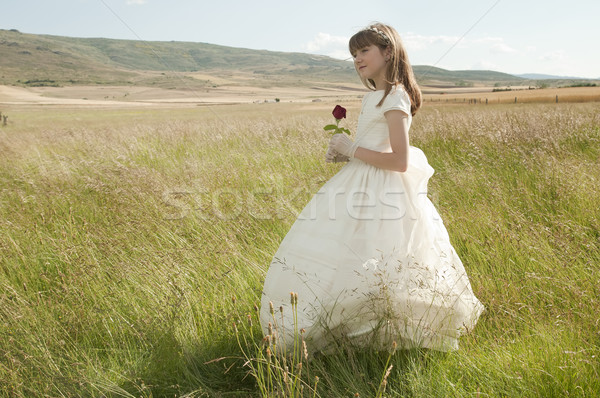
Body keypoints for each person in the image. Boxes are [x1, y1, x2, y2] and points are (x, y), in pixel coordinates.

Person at [259, 23, 484, 353]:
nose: (357, 59)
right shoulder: (372, 97)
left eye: (364, 51)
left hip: (385, 190)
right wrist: (346, 155)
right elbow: (371, 149)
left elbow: (400, 161)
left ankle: (386, 330)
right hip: (358, 183)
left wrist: (352, 150)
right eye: (354, 54)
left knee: (383, 257)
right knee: (350, 258)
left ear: (388, 51)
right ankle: (354, 327)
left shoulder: (396, 97)